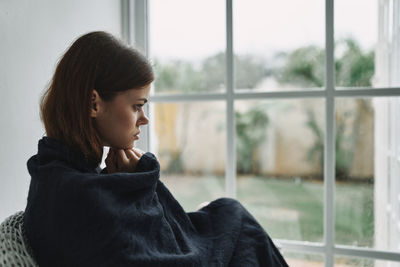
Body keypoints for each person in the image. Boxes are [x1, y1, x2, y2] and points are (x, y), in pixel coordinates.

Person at [24, 31, 288, 267]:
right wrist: (141, 179)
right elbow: (155, 251)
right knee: (234, 218)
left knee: (228, 214)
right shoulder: (74, 191)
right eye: (136, 106)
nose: (144, 119)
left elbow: (134, 236)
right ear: (94, 103)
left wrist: (124, 181)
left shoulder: (58, 171)